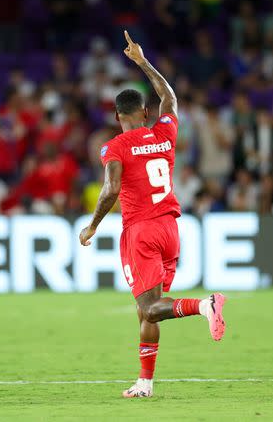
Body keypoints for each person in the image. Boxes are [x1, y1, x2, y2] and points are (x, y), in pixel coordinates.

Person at [79, 31, 227, 399]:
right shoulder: (164, 133)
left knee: (151, 308)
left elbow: (111, 189)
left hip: (141, 231)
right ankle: (145, 381)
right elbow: (170, 98)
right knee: (146, 309)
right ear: (144, 113)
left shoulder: (115, 146)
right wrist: (142, 62)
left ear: (117, 116)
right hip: (170, 229)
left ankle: (204, 305)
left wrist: (92, 225)